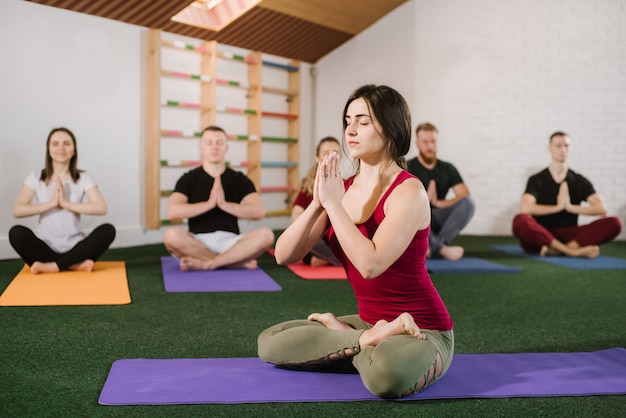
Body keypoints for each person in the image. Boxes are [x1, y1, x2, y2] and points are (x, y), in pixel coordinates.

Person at [258, 85, 454, 399]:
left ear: (390, 127)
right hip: (369, 322)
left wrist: (335, 205)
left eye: (362, 121)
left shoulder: (409, 191)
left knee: (386, 376)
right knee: (271, 341)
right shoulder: (342, 188)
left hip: (423, 328)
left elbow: (370, 265)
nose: (350, 129)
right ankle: (363, 340)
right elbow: (284, 254)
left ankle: (351, 341)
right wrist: (318, 203)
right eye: (348, 120)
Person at [163, 125, 274, 271]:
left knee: (266, 235)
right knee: (171, 235)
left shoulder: (239, 179)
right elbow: (172, 211)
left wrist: (223, 204)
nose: (214, 147)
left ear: (226, 148)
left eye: (219, 143)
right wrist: (209, 204)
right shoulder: (188, 179)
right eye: (209, 143)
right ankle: (232, 262)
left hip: (231, 242)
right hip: (197, 242)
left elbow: (258, 211)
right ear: (201, 147)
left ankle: (209, 263)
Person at [9, 127, 116, 274]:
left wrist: (66, 204)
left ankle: (54, 266)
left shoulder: (83, 177)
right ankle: (73, 264)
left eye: (66, 143)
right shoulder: (35, 178)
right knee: (16, 233)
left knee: (108, 230)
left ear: (74, 149)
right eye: (55, 144)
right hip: (45, 246)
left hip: (76, 247)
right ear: (48, 149)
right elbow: (17, 210)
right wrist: (52, 204)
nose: (61, 148)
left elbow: (101, 208)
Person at [512, 131, 621, 258]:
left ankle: (557, 249)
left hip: (571, 235)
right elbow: (526, 208)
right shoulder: (536, 179)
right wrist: (558, 207)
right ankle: (570, 251)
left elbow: (601, 208)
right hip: (541, 235)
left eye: (566, 146)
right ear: (550, 148)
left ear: (570, 148)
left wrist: (570, 207)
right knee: (520, 220)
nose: (563, 150)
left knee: (615, 223)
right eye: (558, 146)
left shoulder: (579, 180)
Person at [406, 123, 475, 260]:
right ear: (418, 144)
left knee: (468, 203)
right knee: (410, 209)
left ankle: (436, 245)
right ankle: (440, 249)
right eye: (425, 142)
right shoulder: (408, 167)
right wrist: (424, 200)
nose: (430, 146)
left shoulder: (447, 168)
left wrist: (440, 202)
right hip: (416, 220)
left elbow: (464, 194)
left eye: (433, 142)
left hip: (439, 219)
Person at [290, 136, 342, 267]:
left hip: (339, 238)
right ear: (317, 158)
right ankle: (335, 259)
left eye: (335, 153)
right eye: (325, 153)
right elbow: (296, 214)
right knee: (299, 240)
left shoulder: (346, 184)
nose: (330, 157)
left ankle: (328, 258)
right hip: (316, 239)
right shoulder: (308, 186)